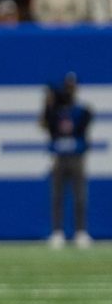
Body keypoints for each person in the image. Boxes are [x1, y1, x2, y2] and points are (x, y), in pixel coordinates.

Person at [41, 73, 93, 248]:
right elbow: (45, 125)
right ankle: (57, 231)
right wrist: (48, 105)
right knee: (57, 195)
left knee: (79, 195)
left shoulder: (82, 111)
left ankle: (81, 231)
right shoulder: (54, 111)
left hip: (76, 156)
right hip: (59, 157)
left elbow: (85, 124)